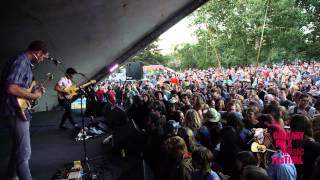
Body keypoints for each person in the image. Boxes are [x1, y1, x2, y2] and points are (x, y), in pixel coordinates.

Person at [0, 41, 48, 180]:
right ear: (37, 53)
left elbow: (19, 87)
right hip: (14, 112)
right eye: (43, 56)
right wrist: (34, 95)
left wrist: (34, 91)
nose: (42, 59)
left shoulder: (24, 62)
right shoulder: (21, 61)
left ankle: (11, 175)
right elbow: (11, 88)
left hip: (14, 110)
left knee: (18, 148)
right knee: (24, 154)